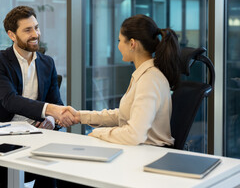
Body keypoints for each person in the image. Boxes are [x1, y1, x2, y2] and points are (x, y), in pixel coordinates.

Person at [0, 6, 76, 188]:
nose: (35, 34)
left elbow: (57, 103)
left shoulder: (47, 63)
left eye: (36, 27)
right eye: (27, 30)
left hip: (37, 138)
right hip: (1, 137)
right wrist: (50, 110)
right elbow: (10, 100)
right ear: (12, 35)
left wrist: (50, 118)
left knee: (54, 167)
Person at [63, 14, 180, 147]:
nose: (118, 46)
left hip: (149, 155)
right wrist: (79, 116)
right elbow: (124, 115)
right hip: (141, 151)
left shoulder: (149, 80)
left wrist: (97, 133)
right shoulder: (144, 75)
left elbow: (134, 134)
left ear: (132, 44)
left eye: (119, 41)